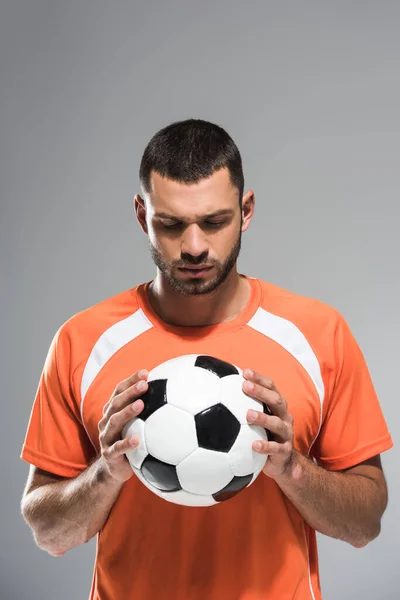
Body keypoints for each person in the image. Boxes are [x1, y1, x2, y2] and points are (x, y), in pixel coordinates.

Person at [20, 119, 393, 600]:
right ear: (141, 214)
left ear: (247, 210)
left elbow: (365, 525)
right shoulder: (83, 341)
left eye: (215, 222)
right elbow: (49, 534)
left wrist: (291, 467)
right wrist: (105, 472)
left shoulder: (318, 334)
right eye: (171, 224)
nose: (194, 246)